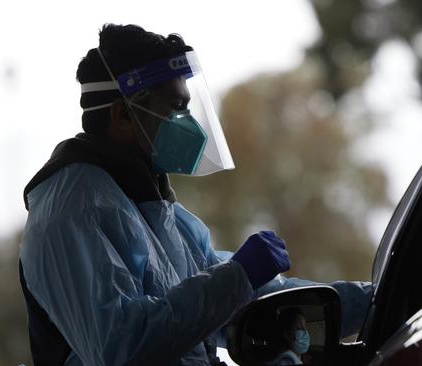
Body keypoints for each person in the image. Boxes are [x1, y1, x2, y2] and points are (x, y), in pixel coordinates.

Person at [18, 24, 372, 366]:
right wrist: (238, 276)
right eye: (175, 107)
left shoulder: (152, 208)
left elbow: (248, 304)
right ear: (123, 114)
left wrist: (377, 300)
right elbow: (121, 347)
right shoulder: (70, 211)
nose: (189, 123)